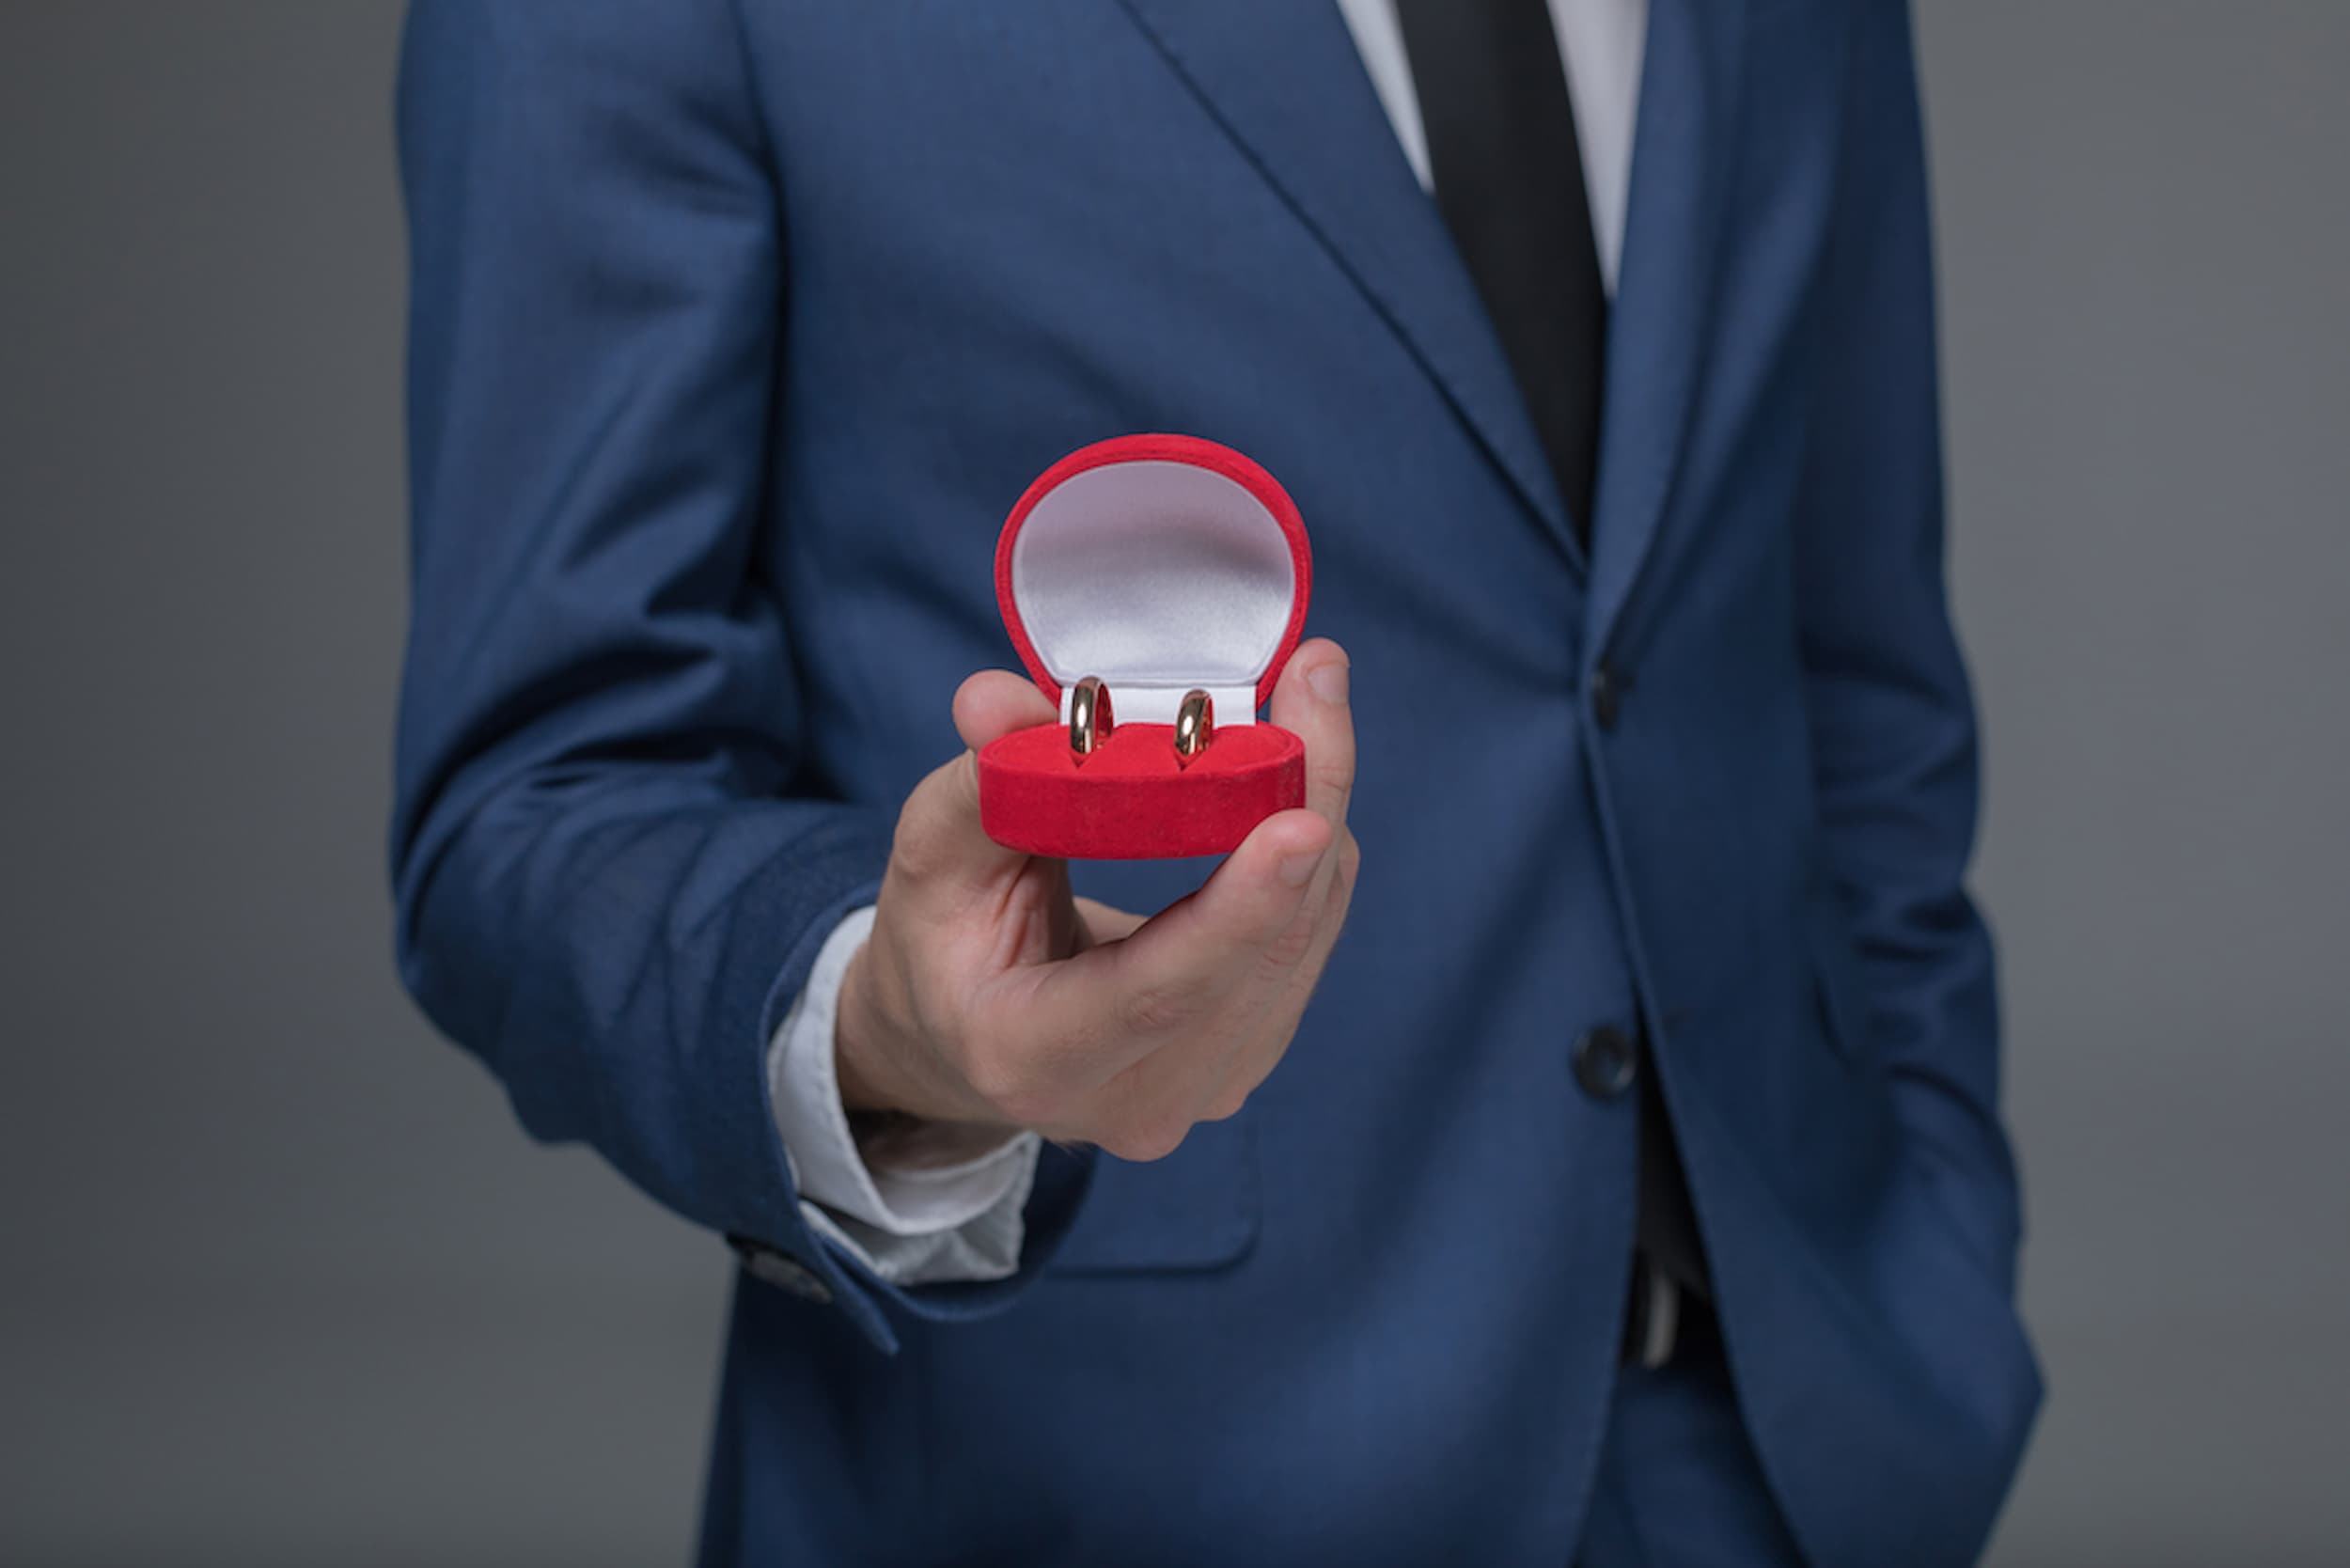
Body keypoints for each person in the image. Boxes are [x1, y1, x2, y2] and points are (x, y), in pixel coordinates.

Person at [391, 0, 2041, 1561]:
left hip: (1787, 1456)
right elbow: (542, 796)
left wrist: (1938, 1246)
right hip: (1117, 1475)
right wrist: (899, 1039)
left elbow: (1850, 652)